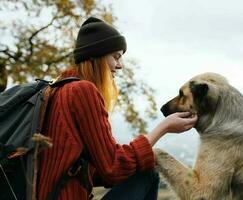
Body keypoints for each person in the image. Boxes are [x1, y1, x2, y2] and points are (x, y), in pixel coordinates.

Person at [37, 17, 198, 200]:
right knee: (149, 173)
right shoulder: (82, 90)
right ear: (96, 56)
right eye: (116, 56)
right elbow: (113, 167)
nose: (120, 65)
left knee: (145, 167)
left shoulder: (57, 89)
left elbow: (95, 171)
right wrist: (163, 128)